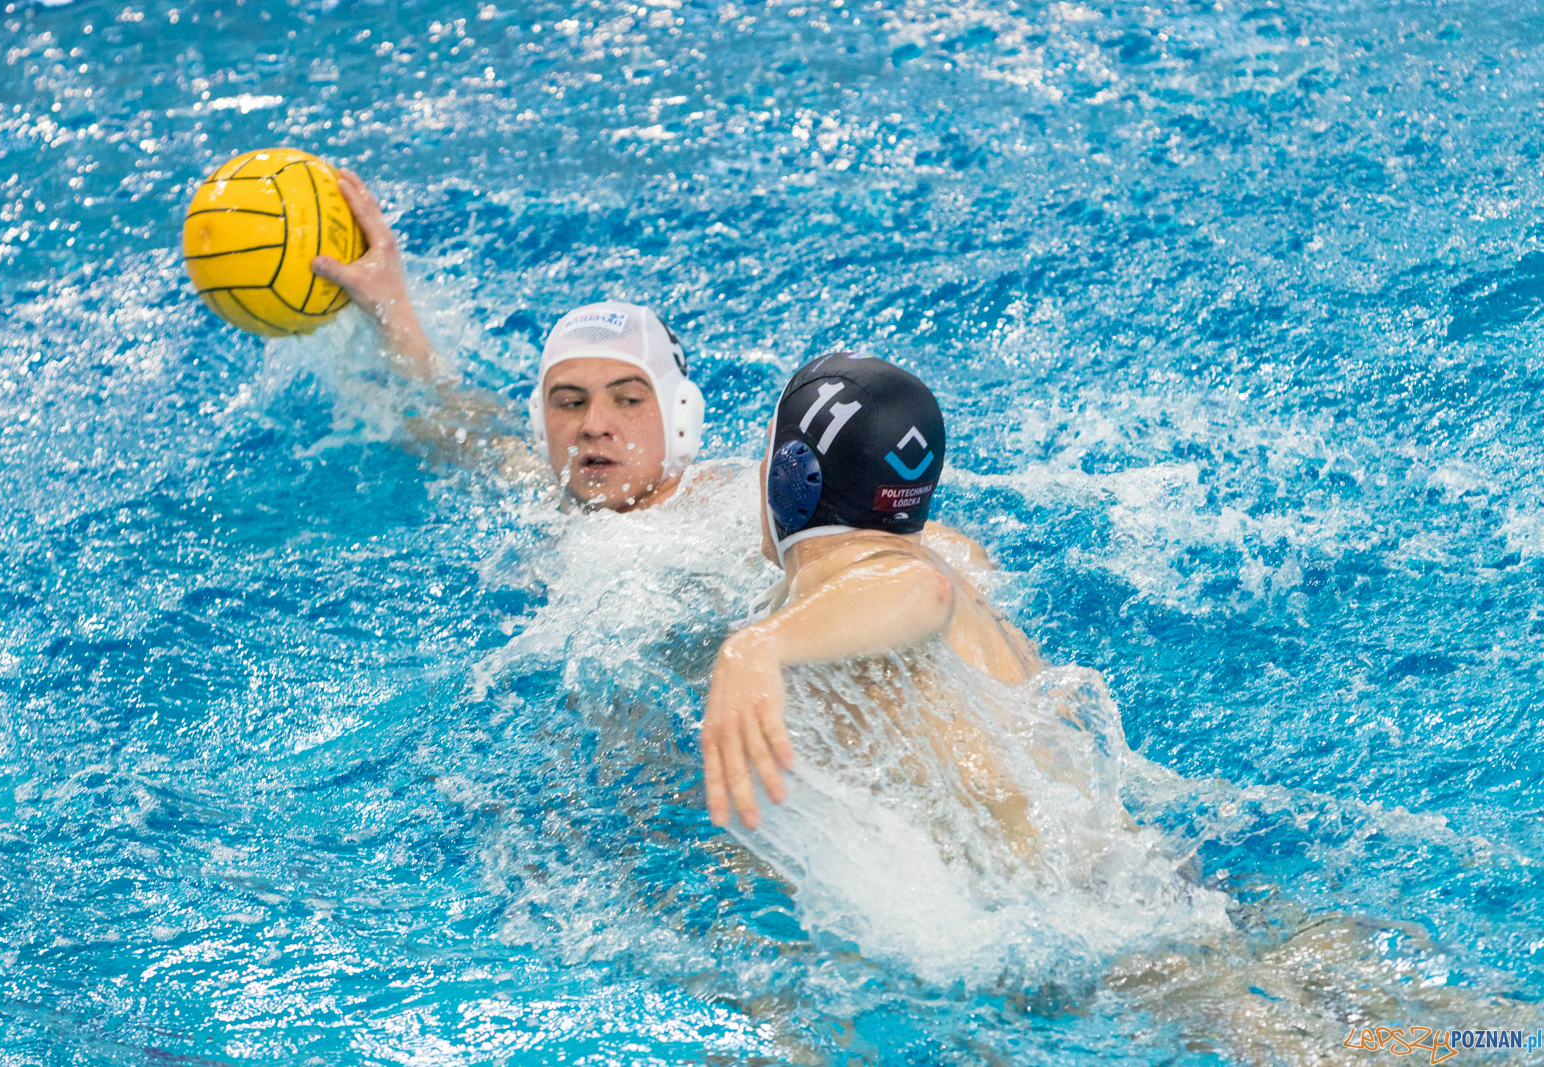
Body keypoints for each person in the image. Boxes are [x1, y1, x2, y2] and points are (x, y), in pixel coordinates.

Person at [702, 351, 1045, 833]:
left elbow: (922, 592)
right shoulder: (942, 551)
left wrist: (756, 648)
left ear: (790, 477)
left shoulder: (862, 575)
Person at [310, 170, 703, 512]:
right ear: (540, 424)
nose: (593, 425)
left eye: (628, 399)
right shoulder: (543, 494)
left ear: (681, 417)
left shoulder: (727, 519)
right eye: (570, 403)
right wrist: (389, 306)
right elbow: (438, 414)